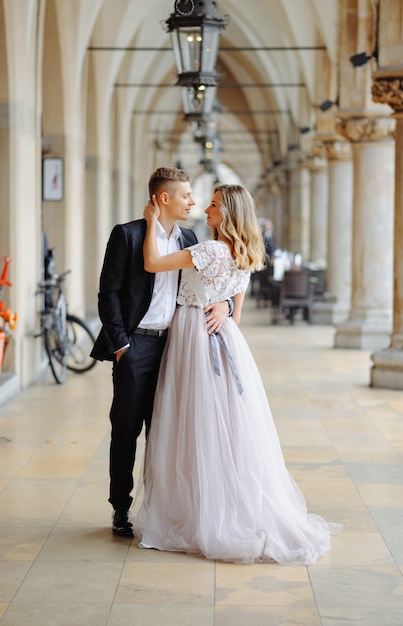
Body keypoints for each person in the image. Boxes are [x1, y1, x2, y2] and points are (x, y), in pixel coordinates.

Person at [132, 184, 341, 565]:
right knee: (223, 422)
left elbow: (152, 263)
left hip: (194, 337)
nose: (206, 209)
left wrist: (149, 223)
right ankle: (221, 505)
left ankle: (196, 513)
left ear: (227, 214)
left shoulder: (210, 250)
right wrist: (226, 306)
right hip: (226, 339)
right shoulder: (246, 255)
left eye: (212, 205)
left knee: (192, 422)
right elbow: (237, 313)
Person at [90, 167, 231, 537]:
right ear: (164, 198)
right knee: (126, 428)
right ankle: (120, 507)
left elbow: (220, 277)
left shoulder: (189, 237)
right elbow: (108, 294)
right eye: (186, 195)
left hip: (177, 346)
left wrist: (226, 305)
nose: (193, 202)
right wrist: (122, 345)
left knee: (167, 431)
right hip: (135, 345)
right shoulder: (128, 234)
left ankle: (162, 510)